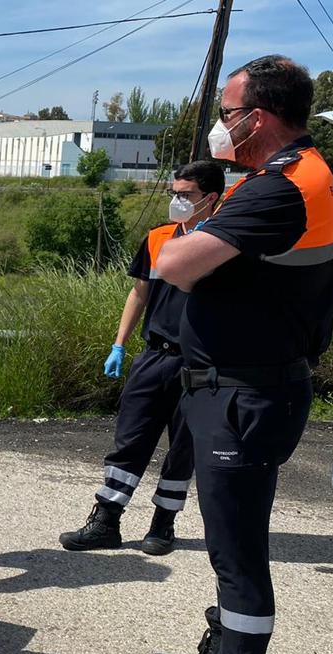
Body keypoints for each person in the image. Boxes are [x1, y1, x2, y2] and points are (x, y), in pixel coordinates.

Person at [148, 55, 333, 654]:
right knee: (232, 539)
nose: (220, 127)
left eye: (227, 115)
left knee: (236, 549)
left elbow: (174, 262)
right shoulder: (295, 175)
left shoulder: (278, 187)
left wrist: (193, 230)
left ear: (256, 118)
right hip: (251, 386)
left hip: (244, 394)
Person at [59, 161, 225, 556]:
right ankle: (106, 520)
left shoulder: (224, 243)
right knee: (130, 440)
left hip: (200, 364)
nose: (177, 201)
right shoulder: (158, 239)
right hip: (154, 356)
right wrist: (119, 344)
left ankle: (163, 524)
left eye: (186, 195)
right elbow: (139, 293)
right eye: (174, 193)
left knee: (183, 446)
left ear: (211, 198)